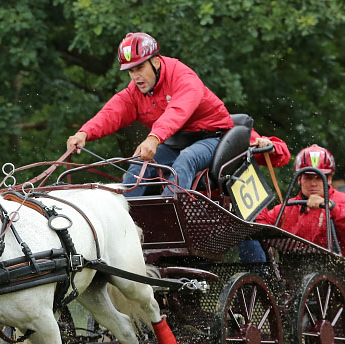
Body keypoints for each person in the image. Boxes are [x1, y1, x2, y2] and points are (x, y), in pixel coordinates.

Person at [66, 32, 235, 196]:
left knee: (185, 160)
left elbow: (177, 111)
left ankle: (169, 216)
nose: (135, 76)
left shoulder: (184, 78)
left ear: (156, 61)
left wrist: (154, 138)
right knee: (140, 164)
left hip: (212, 140)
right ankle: (128, 220)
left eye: (140, 68)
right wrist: (84, 132)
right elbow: (113, 111)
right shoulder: (136, 91)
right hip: (176, 142)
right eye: (130, 71)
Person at [253, 145, 345, 253]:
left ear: (329, 179)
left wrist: (331, 207)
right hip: (292, 268)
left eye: (319, 178)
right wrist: (255, 203)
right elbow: (260, 227)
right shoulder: (286, 209)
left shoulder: (341, 202)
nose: (313, 184)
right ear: (299, 179)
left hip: (336, 268)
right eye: (308, 178)